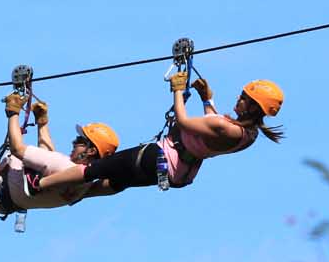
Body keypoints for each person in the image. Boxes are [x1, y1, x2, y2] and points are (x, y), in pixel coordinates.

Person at [33, 72, 283, 196]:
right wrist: (207, 99)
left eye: (244, 98)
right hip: (174, 173)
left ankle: (39, 186)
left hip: (160, 156)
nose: (238, 100)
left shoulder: (227, 128)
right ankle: (77, 195)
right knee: (119, 181)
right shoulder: (247, 135)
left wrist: (177, 91)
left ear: (254, 106)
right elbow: (211, 128)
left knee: (96, 169)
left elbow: (184, 122)